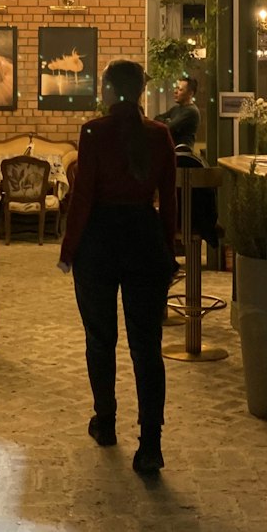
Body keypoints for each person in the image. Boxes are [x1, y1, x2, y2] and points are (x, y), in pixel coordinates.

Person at [58, 59, 177, 476]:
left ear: (108, 90)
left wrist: (68, 248)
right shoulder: (160, 135)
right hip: (144, 238)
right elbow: (169, 200)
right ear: (141, 91)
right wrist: (169, 250)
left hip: (100, 241)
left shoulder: (93, 132)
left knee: (100, 337)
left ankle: (105, 422)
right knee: (147, 347)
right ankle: (151, 444)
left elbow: (82, 197)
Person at [154, 72, 200, 147]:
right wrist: (167, 121)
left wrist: (167, 122)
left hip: (182, 154)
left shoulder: (191, 111)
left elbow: (169, 128)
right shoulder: (176, 108)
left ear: (190, 94)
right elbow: (157, 118)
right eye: (176, 88)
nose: (175, 92)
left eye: (180, 90)